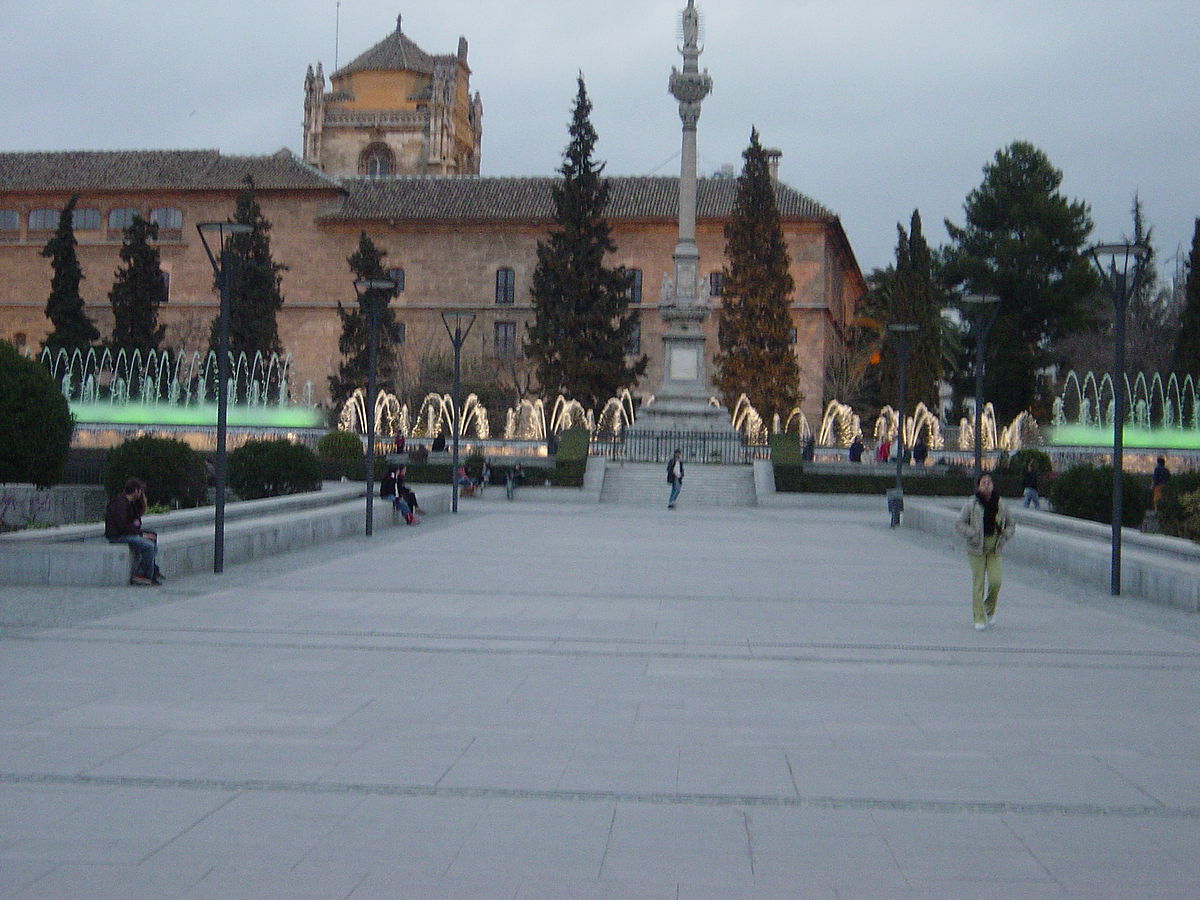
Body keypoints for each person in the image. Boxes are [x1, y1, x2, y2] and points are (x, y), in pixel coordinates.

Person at [955, 473, 1015, 631]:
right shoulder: (972, 504)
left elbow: (1011, 524)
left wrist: (1006, 535)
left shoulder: (1001, 504)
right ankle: (979, 617)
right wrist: (972, 534)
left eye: (989, 482)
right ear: (978, 486)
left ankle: (988, 608)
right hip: (976, 549)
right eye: (983, 482)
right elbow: (959, 523)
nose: (987, 485)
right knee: (979, 582)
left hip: (995, 547)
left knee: (996, 581)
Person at [104, 477, 161, 586]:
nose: (141, 493)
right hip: (117, 536)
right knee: (148, 546)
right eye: (140, 490)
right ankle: (141, 575)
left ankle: (152, 571)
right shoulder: (120, 503)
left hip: (126, 533)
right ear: (136, 490)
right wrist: (141, 535)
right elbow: (123, 526)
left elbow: (136, 521)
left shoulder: (130, 503)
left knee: (152, 536)